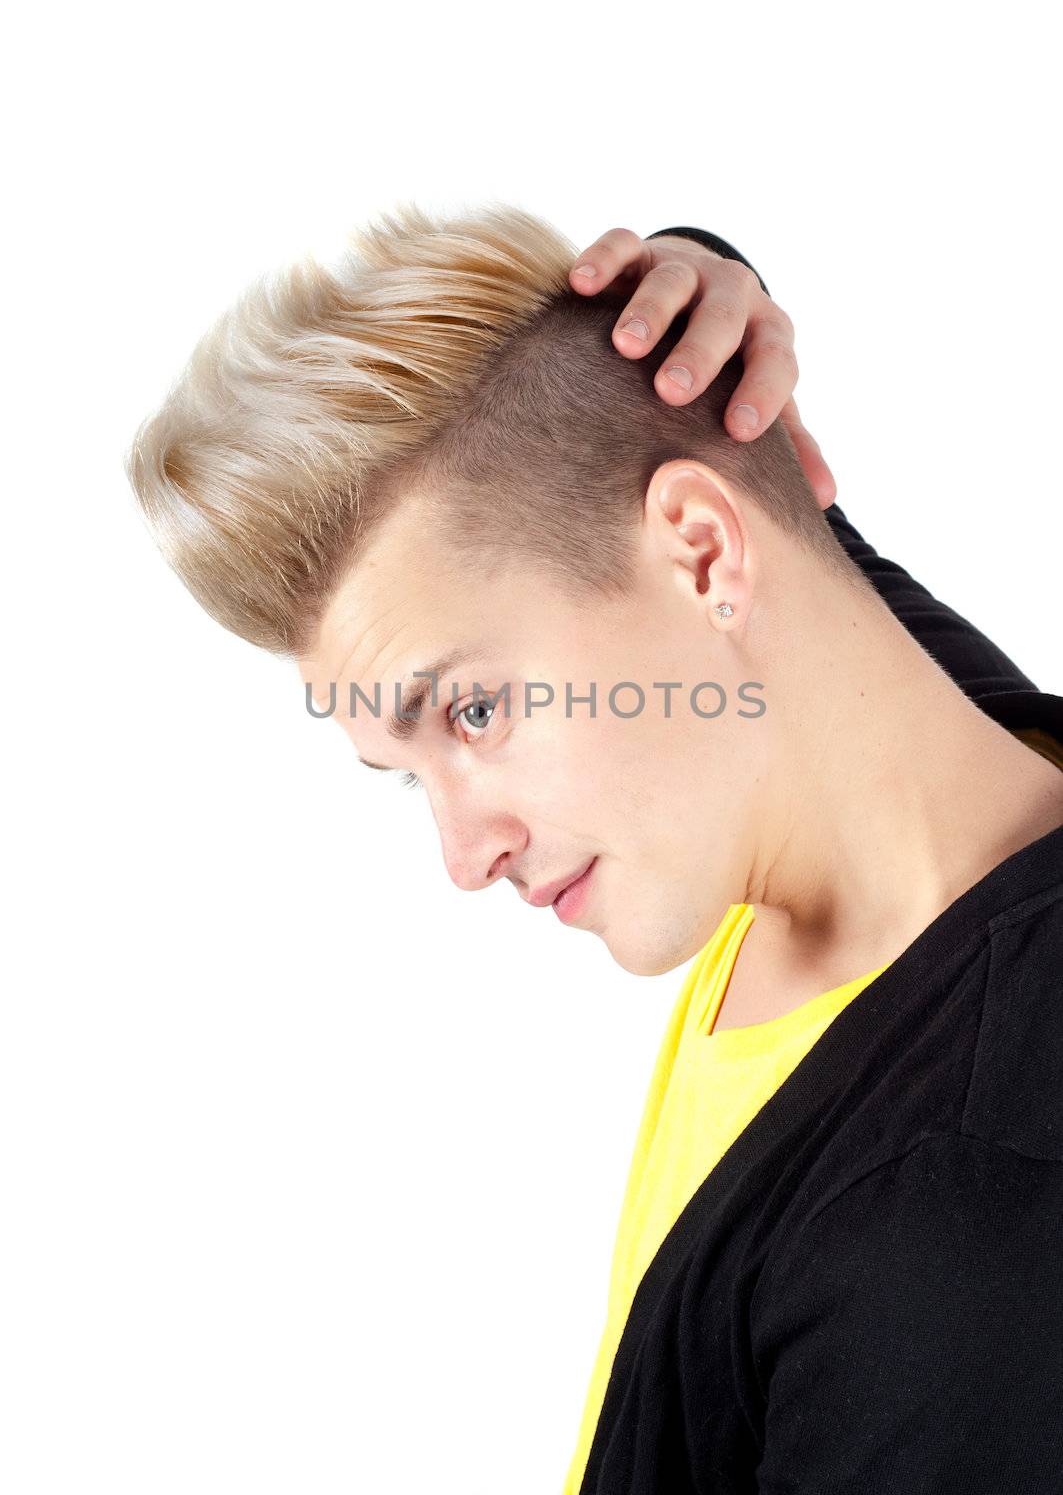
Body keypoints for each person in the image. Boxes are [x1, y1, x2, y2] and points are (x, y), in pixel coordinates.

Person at [125, 205, 1063, 1493]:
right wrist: (698, 287)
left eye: (473, 711)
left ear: (699, 547)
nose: (465, 856)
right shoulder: (900, 730)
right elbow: (741, 502)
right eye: (411, 780)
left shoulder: (955, 1251)